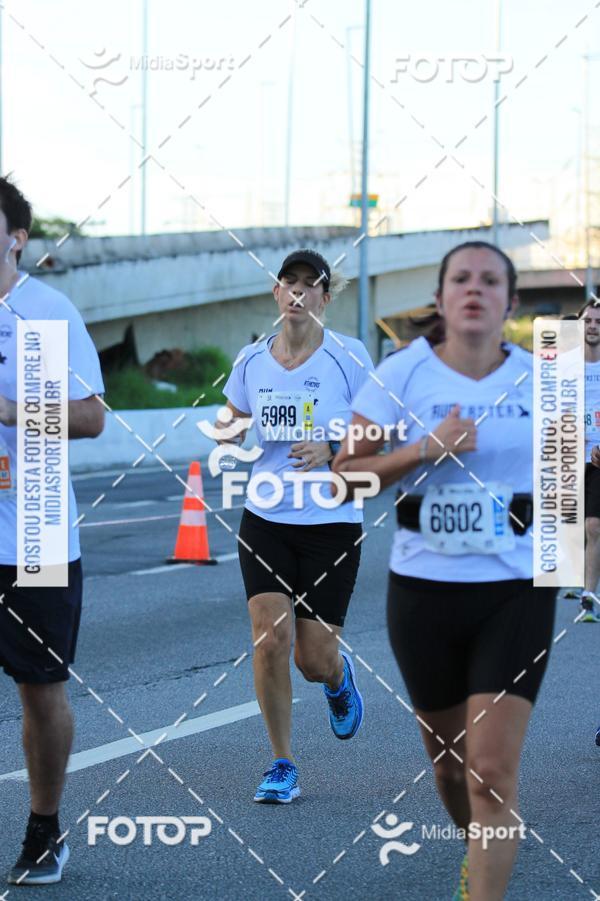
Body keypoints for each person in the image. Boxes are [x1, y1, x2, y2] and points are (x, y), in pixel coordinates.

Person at [334, 241, 557, 901]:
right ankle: (474, 846)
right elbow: (347, 477)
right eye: (461, 278)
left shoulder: (549, 378)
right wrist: (426, 448)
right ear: (440, 297)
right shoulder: (400, 374)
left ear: (510, 303)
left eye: (491, 281)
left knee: (491, 773)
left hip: (515, 590)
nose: (475, 289)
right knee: (452, 770)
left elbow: (570, 487)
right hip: (424, 593)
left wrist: (567, 565)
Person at [219, 248, 373, 803]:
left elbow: (383, 432)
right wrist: (228, 435)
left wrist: (333, 446)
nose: (299, 292)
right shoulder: (250, 361)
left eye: (312, 285)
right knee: (269, 640)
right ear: (277, 293)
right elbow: (231, 423)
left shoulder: (349, 358)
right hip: (265, 517)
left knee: (311, 657)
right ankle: (282, 762)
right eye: (291, 283)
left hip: (332, 522)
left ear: (325, 299)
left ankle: (337, 678)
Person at [0, 177, 105, 884]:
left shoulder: (45, 312)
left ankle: (45, 829)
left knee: (41, 689)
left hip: (32, 532)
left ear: (16, 237)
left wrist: (14, 410)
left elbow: (92, 415)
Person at [578, 300, 600, 621]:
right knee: (576, 528)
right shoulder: (565, 368)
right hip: (567, 456)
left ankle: (588, 598)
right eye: (589, 320)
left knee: (594, 526)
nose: (593, 326)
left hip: (598, 459)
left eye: (598, 321)